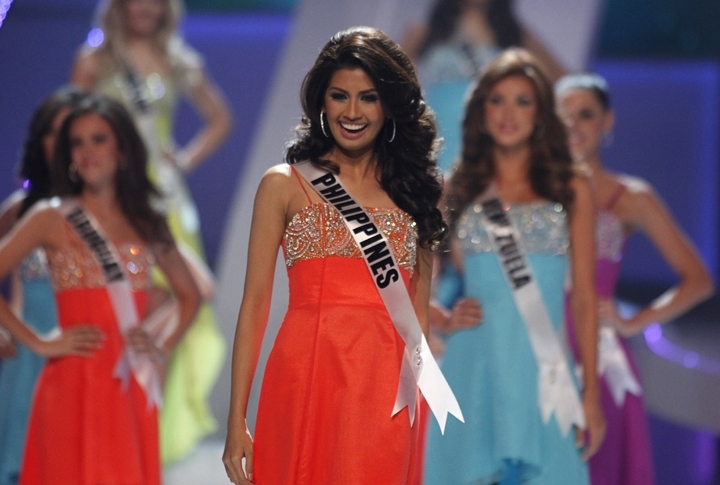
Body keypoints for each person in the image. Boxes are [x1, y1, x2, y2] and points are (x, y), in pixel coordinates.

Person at [222, 26, 461, 485]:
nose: (352, 112)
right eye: (339, 96)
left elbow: (418, 316)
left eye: (368, 97)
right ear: (321, 102)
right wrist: (238, 421)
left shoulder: (419, 194)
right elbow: (254, 306)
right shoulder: (283, 184)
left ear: (389, 104)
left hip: (388, 388)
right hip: (306, 374)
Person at [424, 48, 605, 485]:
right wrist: (438, 315)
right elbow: (411, 278)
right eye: (497, 99)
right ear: (480, 108)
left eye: (523, 101)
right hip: (474, 365)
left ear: (541, 113)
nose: (509, 113)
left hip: (545, 374)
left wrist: (592, 397)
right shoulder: (455, 188)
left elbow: (584, 299)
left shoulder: (571, 186)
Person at [0, 94, 200, 484]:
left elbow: (189, 295)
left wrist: (162, 344)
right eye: (77, 142)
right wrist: (39, 342)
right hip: (69, 381)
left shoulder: (147, 221)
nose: (88, 151)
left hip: (127, 383)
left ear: (123, 148)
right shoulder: (49, 217)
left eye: (99, 139)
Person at [70, 0, 232, 463]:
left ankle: (145, 430)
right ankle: (107, 426)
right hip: (109, 197)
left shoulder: (179, 60)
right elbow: (66, 127)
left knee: (186, 298)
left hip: (165, 203)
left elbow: (221, 119)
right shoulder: (94, 60)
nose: (145, 6)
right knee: (121, 309)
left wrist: (182, 161)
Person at [555, 73, 714, 485]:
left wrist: (634, 320)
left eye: (585, 114)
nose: (573, 125)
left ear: (607, 121)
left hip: (597, 352)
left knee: (595, 467)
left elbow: (698, 280)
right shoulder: (528, 191)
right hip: (534, 340)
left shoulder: (631, 197)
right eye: (563, 115)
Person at [0, 86, 85, 485]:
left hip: (83, 350)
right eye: (53, 131)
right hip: (27, 353)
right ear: (40, 140)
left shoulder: (107, 210)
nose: (64, 141)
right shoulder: (19, 209)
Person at [402, 0, 565, 172]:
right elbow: (388, 75)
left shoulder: (513, 33)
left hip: (484, 136)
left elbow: (562, 81)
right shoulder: (426, 29)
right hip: (433, 130)